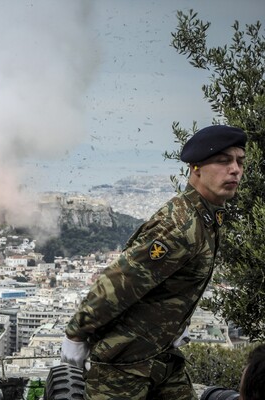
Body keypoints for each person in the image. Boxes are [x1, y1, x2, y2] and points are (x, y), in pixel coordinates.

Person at [61, 125, 247, 399]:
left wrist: (175, 325)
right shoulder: (180, 225)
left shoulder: (204, 216)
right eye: (223, 161)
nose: (235, 169)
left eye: (240, 161)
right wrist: (76, 334)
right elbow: (118, 282)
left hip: (159, 356)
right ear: (196, 167)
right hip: (124, 366)